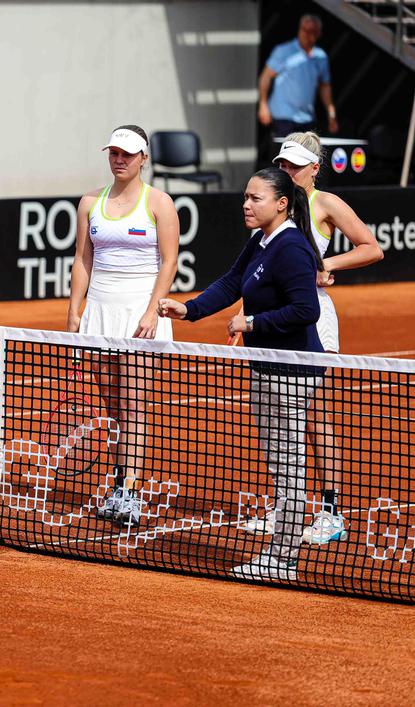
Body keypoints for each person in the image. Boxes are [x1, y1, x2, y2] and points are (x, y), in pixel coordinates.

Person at [158, 167, 324, 582]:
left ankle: (283, 559)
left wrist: (251, 323)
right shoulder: (261, 241)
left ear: (282, 203)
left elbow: (307, 310)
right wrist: (190, 309)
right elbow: (233, 282)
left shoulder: (292, 248)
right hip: (267, 366)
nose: (246, 205)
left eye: (256, 198)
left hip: (293, 370)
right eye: (245, 197)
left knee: (289, 468)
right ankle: (281, 552)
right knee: (280, 462)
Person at [242, 132, 382, 546]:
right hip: (272, 320)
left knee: (313, 414)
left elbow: (372, 248)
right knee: (275, 419)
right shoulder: (270, 208)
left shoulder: (326, 204)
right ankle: (287, 507)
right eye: (283, 164)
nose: (286, 171)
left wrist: (327, 263)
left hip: (312, 319)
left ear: (314, 169)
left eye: (295, 166)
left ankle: (331, 512)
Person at [65, 124, 179, 527]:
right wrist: (75, 311)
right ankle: (119, 484)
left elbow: (169, 261)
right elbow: (83, 260)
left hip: (139, 315)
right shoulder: (88, 203)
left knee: (135, 405)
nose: (119, 159)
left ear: (143, 158)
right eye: (114, 152)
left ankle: (128, 491)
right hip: (99, 312)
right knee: (115, 408)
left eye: (128, 154)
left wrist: (152, 312)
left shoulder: (160, 204)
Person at [258, 15, 338, 141]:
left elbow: (324, 86)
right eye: (303, 30)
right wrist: (263, 104)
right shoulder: (284, 51)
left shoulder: (320, 57)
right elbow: (265, 77)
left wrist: (331, 113)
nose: (306, 34)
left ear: (318, 34)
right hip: (283, 117)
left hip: (306, 118)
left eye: (310, 31)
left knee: (304, 158)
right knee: (284, 156)